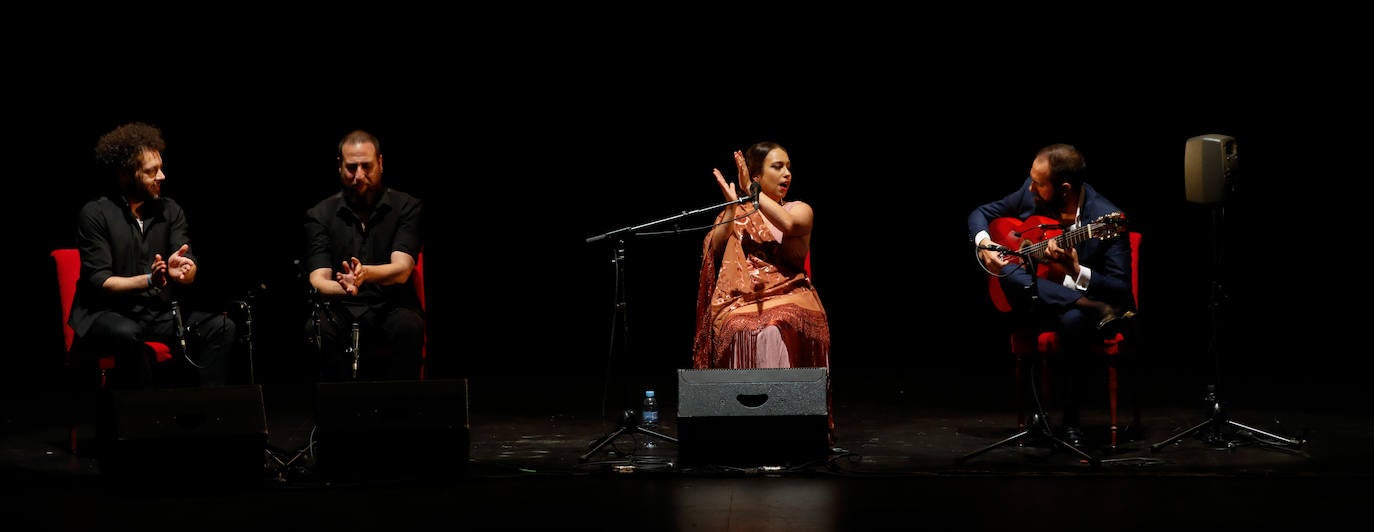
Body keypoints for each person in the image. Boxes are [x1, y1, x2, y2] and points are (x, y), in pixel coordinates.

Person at [967, 142, 1135, 446]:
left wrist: (1077, 271)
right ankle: (1088, 306)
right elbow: (980, 213)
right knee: (1006, 270)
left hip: (1075, 309)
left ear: (1065, 188)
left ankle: (1068, 423)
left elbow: (1122, 291)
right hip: (1040, 298)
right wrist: (984, 244)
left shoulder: (1106, 218)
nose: (1030, 188)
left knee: (1072, 320)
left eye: (1039, 183)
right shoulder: (1031, 193)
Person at [70, 122, 236, 388]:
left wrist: (184, 270)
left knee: (221, 328)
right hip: (106, 314)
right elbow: (101, 282)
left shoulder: (170, 211)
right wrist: (150, 280)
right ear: (126, 173)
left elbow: (187, 261)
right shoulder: (96, 214)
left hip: (154, 313)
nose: (162, 176)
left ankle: (203, 413)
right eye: (151, 171)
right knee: (128, 334)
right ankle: (140, 421)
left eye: (160, 168)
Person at [692, 141, 830, 369]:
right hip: (742, 300)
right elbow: (714, 249)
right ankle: (743, 401)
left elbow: (788, 224)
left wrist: (750, 191)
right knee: (738, 326)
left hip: (790, 293)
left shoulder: (799, 209)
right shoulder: (738, 213)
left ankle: (783, 401)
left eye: (788, 167)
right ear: (756, 176)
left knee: (774, 326)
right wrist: (730, 209)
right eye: (777, 167)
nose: (787, 174)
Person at [304, 129, 424, 382]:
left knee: (409, 326)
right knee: (317, 328)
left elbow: (402, 269)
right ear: (339, 166)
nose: (359, 175)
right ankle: (339, 411)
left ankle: (399, 411)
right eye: (351, 167)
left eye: (366, 166)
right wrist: (344, 288)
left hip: (391, 304)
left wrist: (364, 275)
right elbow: (318, 279)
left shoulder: (406, 207)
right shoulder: (320, 214)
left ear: (380, 162)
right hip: (342, 306)